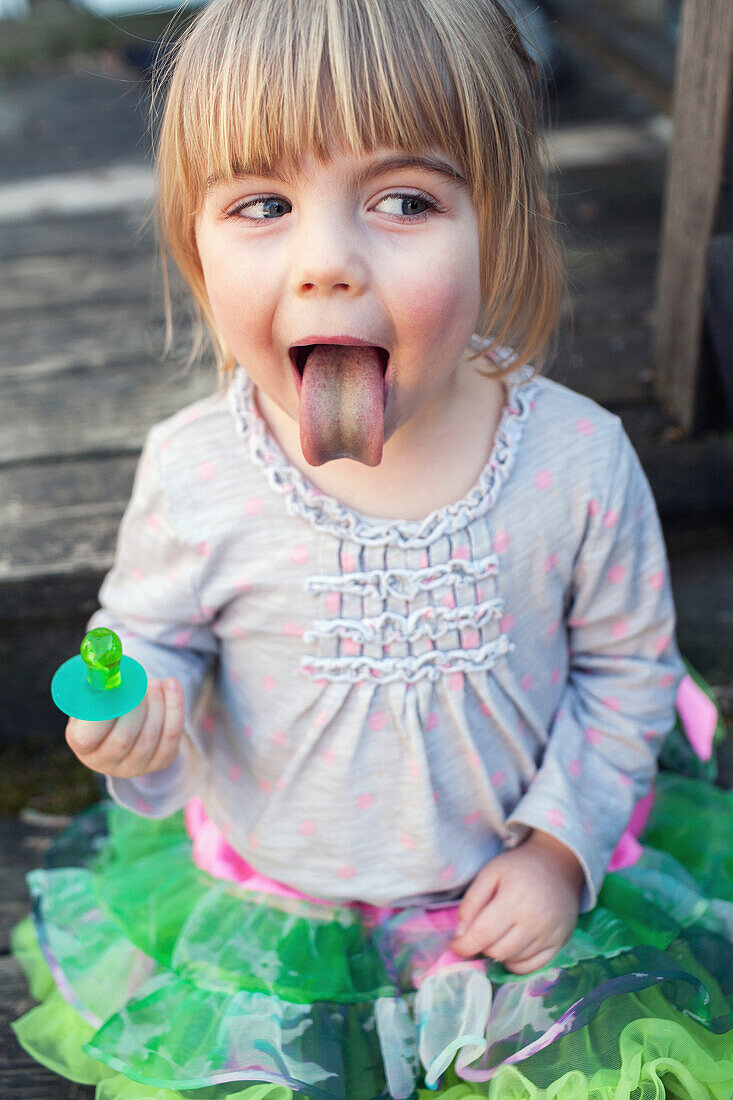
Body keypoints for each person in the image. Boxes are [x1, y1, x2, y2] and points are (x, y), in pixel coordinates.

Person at [11, 0, 733, 1097]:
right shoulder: (196, 470)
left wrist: (557, 849)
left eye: (405, 199)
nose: (326, 264)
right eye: (262, 203)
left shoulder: (578, 461)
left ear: (500, 224)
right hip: (273, 905)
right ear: (193, 252)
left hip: (504, 903)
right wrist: (132, 701)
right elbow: (149, 634)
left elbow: (625, 669)